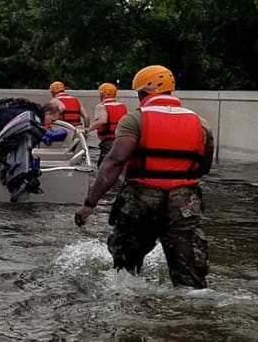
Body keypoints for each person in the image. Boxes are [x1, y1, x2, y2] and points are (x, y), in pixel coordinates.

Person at [75, 65, 215, 289]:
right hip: (184, 202)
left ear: (142, 93)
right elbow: (204, 165)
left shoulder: (135, 120)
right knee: (190, 279)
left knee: (125, 272)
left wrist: (90, 204)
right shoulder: (200, 123)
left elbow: (114, 163)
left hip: (141, 199)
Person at [0, 97, 46, 165]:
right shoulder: (33, 115)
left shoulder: (32, 112)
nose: (51, 123)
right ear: (48, 113)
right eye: (52, 120)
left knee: (3, 159)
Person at [86, 83, 128, 167]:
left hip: (109, 140)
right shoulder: (122, 106)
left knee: (103, 166)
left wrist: (88, 129)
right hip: (121, 139)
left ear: (102, 94)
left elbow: (102, 121)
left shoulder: (101, 106)